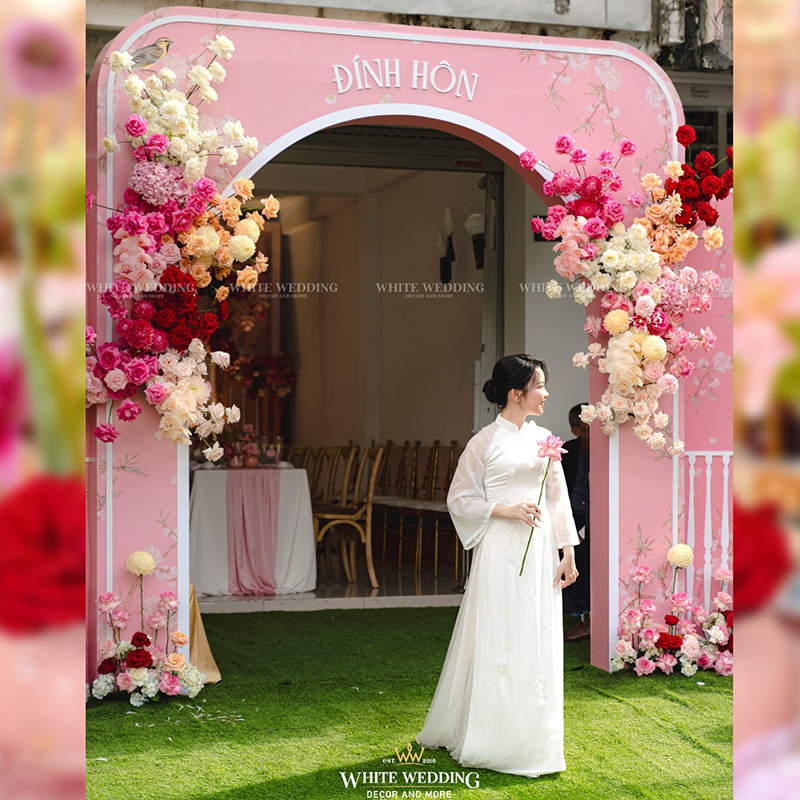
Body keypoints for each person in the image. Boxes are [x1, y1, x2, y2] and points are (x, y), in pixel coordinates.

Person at [416, 354, 580, 778]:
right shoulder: (484, 442)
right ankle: (492, 735)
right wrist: (504, 510)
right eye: (539, 385)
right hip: (499, 555)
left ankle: (534, 736)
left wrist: (567, 551)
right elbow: (459, 498)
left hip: (539, 551)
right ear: (516, 393)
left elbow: (557, 497)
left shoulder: (546, 439)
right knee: (500, 634)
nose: (546, 393)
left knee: (537, 634)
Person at [562, 404, 591, 642]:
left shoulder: (606, 451)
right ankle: (577, 615)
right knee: (570, 563)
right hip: (571, 516)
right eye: (587, 427)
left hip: (595, 517)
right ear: (576, 431)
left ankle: (588, 618)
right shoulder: (566, 452)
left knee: (591, 563)